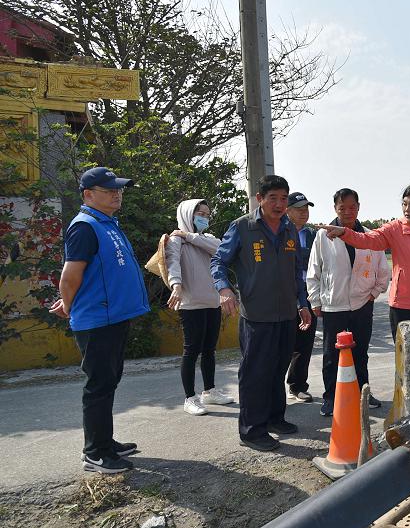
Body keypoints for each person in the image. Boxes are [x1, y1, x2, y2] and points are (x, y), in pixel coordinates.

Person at [50, 167, 150, 474]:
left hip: (113, 316)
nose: (117, 194)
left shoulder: (106, 223)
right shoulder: (85, 226)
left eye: (118, 189)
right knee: (99, 385)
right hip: (98, 320)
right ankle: (94, 452)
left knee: (108, 382)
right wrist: (69, 305)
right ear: (88, 195)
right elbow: (70, 275)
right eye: (109, 190)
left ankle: (105, 442)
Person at [210, 175, 312, 452]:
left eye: (283, 198)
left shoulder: (290, 229)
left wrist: (302, 303)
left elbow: (296, 273)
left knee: (278, 369)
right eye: (273, 198)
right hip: (256, 315)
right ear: (260, 199)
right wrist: (224, 289)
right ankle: (252, 431)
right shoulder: (243, 227)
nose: (279, 204)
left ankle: (274, 419)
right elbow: (219, 261)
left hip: (286, 314)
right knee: (255, 373)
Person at [318, 182, 410, 341]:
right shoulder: (394, 229)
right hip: (402, 307)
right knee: (404, 357)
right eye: (404, 204)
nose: (406, 209)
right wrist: (345, 233)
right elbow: (368, 239)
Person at [307, 188, 390, 416]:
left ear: (359, 207)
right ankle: (331, 397)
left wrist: (374, 293)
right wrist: (315, 300)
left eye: (352, 207)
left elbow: (383, 270)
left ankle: (364, 394)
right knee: (332, 356)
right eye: (342, 207)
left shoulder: (370, 236)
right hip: (334, 305)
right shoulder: (323, 236)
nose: (347, 212)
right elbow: (314, 270)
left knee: (360, 353)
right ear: (335, 209)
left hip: (363, 304)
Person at [165, 198, 233, 416]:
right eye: (199, 214)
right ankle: (190, 398)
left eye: (206, 214)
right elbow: (172, 263)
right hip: (191, 304)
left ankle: (210, 391)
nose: (203, 218)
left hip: (212, 301)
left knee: (209, 350)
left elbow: (222, 250)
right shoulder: (176, 241)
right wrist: (176, 286)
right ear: (187, 214)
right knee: (191, 350)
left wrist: (190, 236)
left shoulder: (207, 239)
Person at [284, 192, 318, 403]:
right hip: (285, 294)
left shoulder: (313, 235)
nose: (304, 212)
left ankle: (297, 386)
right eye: (299, 208)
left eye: (306, 208)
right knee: (282, 343)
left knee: (304, 342)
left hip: (309, 293)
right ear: (287, 211)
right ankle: (271, 389)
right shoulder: (280, 232)